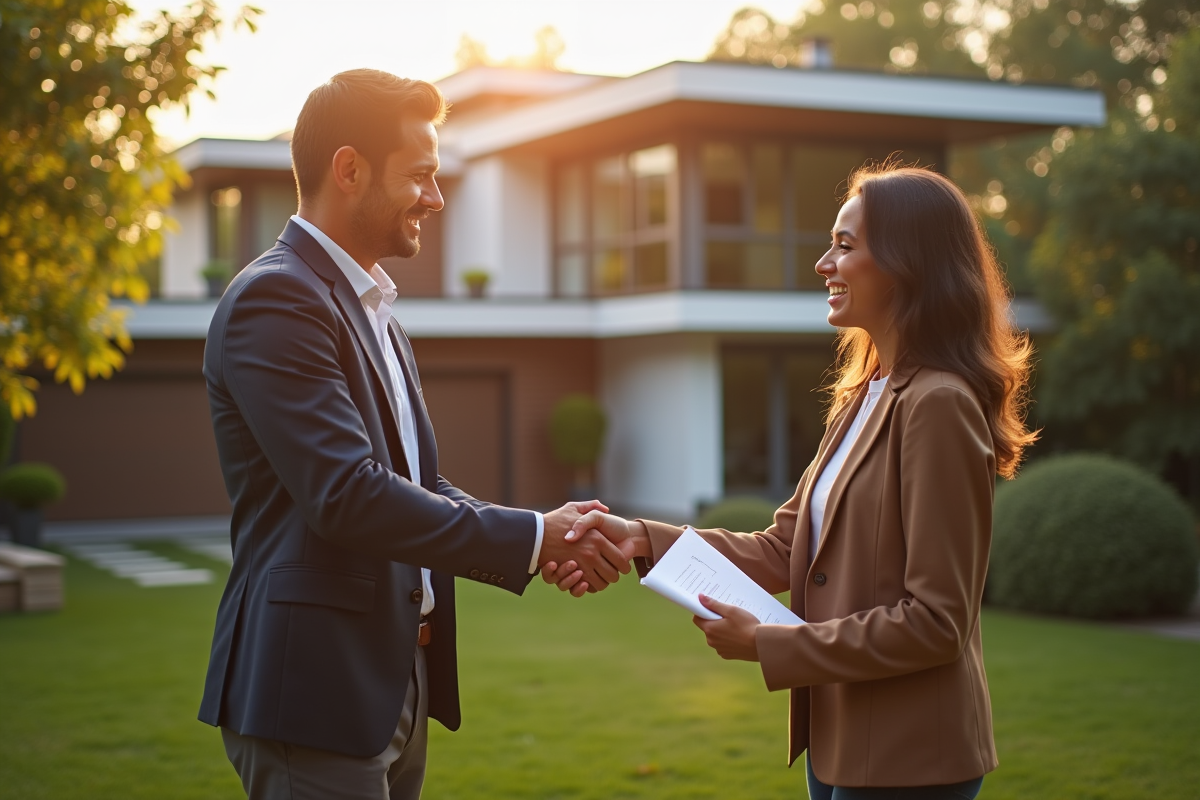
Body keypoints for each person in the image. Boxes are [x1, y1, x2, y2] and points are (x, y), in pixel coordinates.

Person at [198, 69, 631, 800]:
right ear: (349, 169)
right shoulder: (276, 299)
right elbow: (349, 497)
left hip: (395, 679)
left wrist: (543, 534)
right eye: (422, 175)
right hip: (316, 690)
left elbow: (416, 487)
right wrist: (533, 536)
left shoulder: (378, 313)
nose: (435, 196)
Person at [547, 164, 1036, 799]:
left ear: (907, 262)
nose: (822, 264)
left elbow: (938, 622)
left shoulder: (937, 403)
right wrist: (640, 536)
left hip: (910, 757)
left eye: (845, 245)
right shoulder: (863, 396)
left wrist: (773, 644)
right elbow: (784, 550)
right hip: (838, 743)